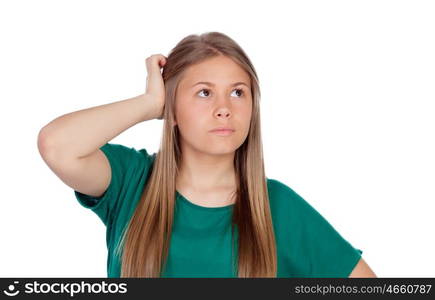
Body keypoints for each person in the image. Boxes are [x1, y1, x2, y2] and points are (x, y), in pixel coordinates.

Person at [37, 31, 376, 278]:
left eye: (238, 93)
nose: (224, 108)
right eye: (204, 93)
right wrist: (151, 104)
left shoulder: (278, 207)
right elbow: (57, 146)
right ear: (173, 105)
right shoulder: (131, 181)